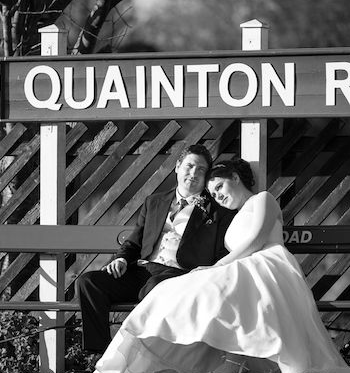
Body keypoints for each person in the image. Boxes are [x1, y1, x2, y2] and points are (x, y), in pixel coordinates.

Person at [90, 158, 350, 373]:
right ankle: (214, 357)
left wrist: (217, 267)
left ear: (236, 177)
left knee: (218, 285)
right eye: (213, 193)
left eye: (220, 186)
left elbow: (256, 241)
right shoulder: (230, 218)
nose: (219, 196)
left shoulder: (263, 199)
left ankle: (237, 361)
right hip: (242, 266)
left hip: (268, 263)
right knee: (179, 289)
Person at [76, 144, 235, 353]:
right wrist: (122, 259)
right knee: (89, 282)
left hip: (180, 274)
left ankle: (140, 355)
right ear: (178, 167)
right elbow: (134, 242)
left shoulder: (216, 211)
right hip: (142, 269)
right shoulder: (155, 201)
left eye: (201, 170)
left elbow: (222, 253)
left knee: (154, 287)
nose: (193, 173)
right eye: (189, 166)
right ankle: (101, 355)